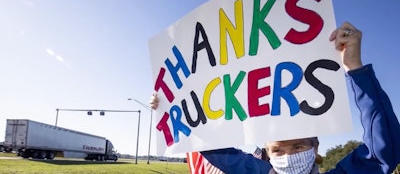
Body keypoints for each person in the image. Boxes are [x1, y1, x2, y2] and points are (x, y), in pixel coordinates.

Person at [150, 22, 400, 174]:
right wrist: (170, 108)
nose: (288, 157)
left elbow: (383, 153)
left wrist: (354, 68)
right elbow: (208, 141)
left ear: (315, 148)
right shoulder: (254, 171)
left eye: (298, 147)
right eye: (278, 150)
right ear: (267, 154)